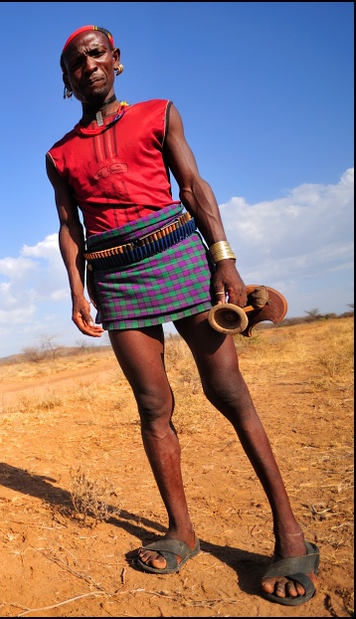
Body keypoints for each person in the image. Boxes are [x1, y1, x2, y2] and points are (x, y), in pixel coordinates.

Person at [45, 25, 319, 606]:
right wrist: (77, 289)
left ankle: (291, 535)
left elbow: (193, 187)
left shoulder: (158, 113)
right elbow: (69, 226)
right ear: (67, 81)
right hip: (115, 278)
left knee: (230, 394)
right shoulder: (58, 154)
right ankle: (181, 531)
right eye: (76, 62)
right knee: (153, 407)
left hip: (180, 256)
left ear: (116, 60)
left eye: (97, 54)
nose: (88, 65)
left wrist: (226, 261)